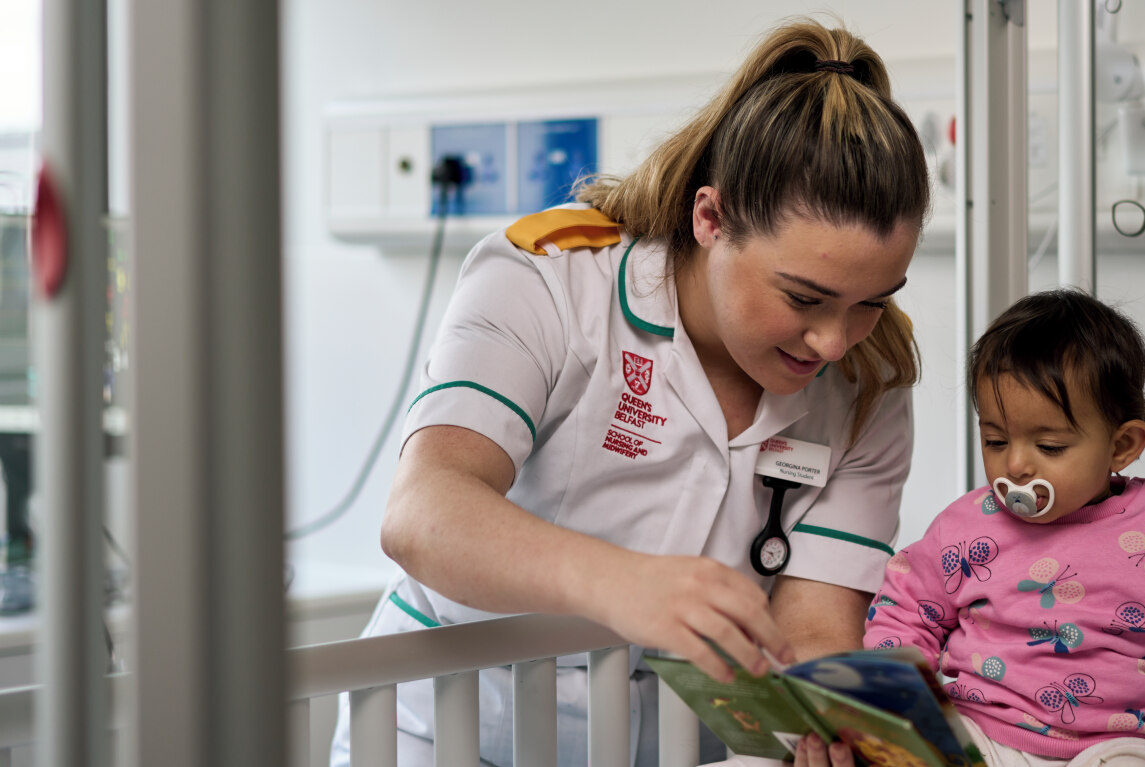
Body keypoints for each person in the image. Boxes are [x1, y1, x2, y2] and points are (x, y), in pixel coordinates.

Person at [330, 17, 929, 767]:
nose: (835, 341)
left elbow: (812, 628)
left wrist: (831, 722)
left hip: (677, 745)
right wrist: (625, 585)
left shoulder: (869, 383)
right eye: (804, 298)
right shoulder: (549, 283)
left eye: (871, 299)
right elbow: (424, 511)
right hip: (453, 726)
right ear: (710, 218)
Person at [862, 290, 1145, 766]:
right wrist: (894, 704)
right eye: (996, 440)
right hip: (981, 734)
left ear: (1122, 445)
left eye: (1049, 446)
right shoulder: (965, 527)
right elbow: (904, 614)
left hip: (1117, 748)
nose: (1017, 464)